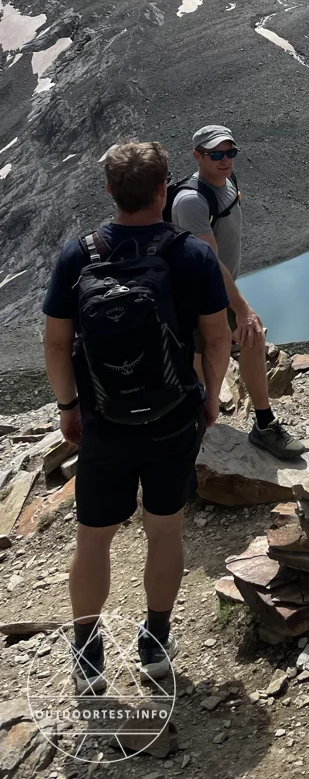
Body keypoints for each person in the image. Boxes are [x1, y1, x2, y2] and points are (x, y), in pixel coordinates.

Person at [43, 141, 232, 695]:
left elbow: (56, 346)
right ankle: (154, 641)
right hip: (174, 417)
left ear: (109, 191)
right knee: (165, 528)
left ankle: (86, 654)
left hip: (105, 421)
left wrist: (70, 407)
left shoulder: (78, 256)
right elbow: (217, 337)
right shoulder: (191, 254)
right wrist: (211, 395)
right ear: (161, 191)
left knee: (93, 538)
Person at [169, 124, 304, 460]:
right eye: (216, 154)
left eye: (230, 152)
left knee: (249, 339)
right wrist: (242, 309)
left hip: (218, 289)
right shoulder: (190, 201)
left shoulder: (227, 182)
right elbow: (209, 262)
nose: (225, 159)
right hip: (194, 296)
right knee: (203, 361)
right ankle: (200, 441)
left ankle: (261, 424)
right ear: (197, 156)